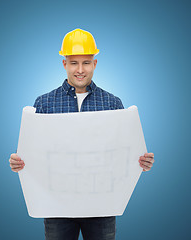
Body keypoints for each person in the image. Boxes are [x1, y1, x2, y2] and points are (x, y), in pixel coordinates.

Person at [9, 28, 155, 240]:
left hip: (102, 207)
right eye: (74, 63)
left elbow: (123, 153)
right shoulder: (44, 103)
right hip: (56, 207)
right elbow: (33, 153)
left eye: (86, 62)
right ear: (64, 64)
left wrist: (141, 161)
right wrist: (18, 162)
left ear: (94, 64)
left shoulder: (112, 103)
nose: (80, 69)